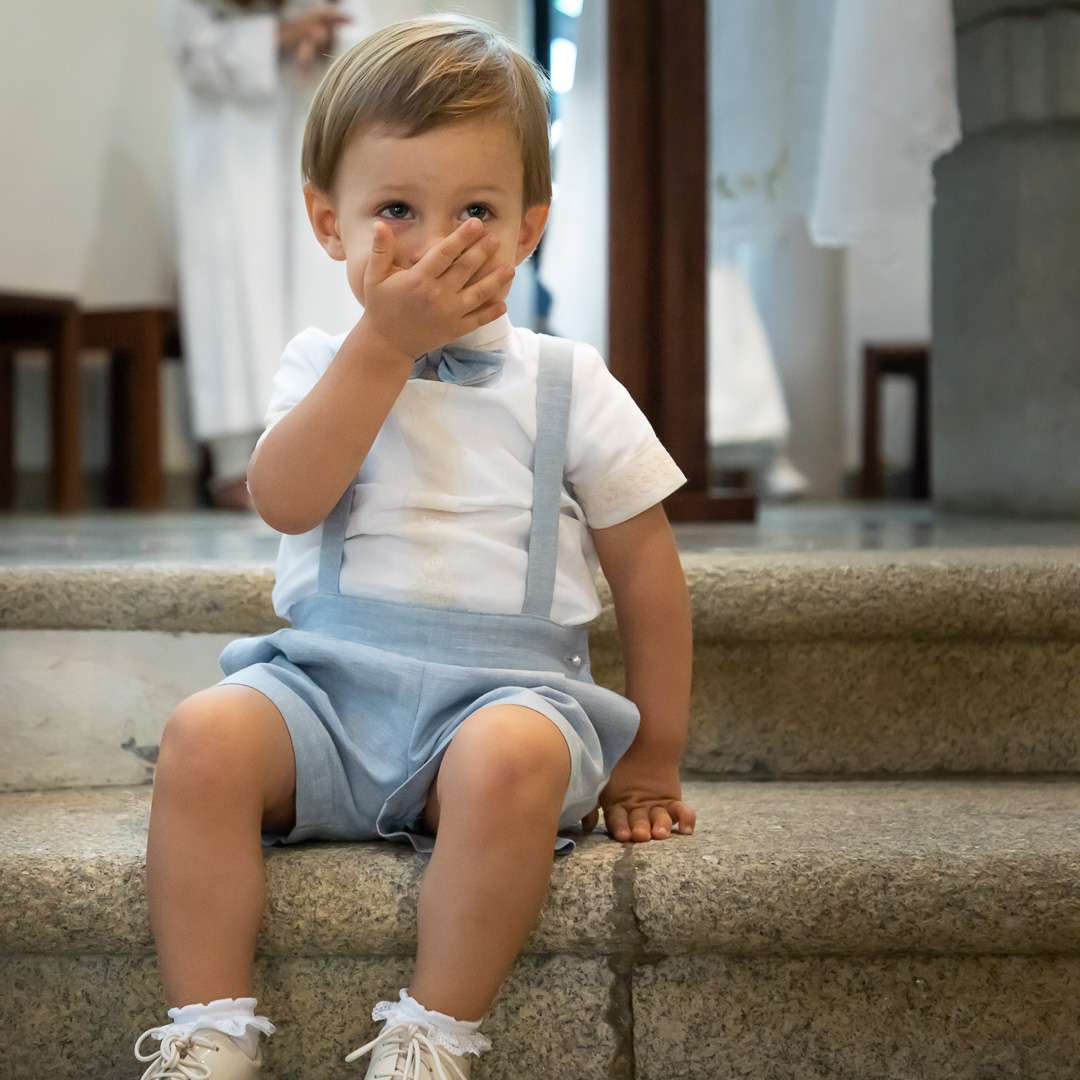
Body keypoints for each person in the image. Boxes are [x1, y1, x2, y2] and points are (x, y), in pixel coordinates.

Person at [136, 14, 697, 1079]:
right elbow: (287, 500)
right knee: (202, 738)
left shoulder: (568, 382)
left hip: (503, 698)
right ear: (328, 222)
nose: (438, 245)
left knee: (517, 761)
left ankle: (432, 1031)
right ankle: (210, 1027)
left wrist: (654, 752)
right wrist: (380, 351)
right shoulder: (318, 363)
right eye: (397, 209)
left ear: (529, 229)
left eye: (475, 211)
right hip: (328, 693)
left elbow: (646, 570)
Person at [160, 0, 357, 510]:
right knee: (234, 287)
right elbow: (188, 49)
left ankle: (325, 455)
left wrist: (323, 38)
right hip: (226, 143)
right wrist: (277, 37)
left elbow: (360, 38)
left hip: (305, 126)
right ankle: (235, 464)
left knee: (320, 277)